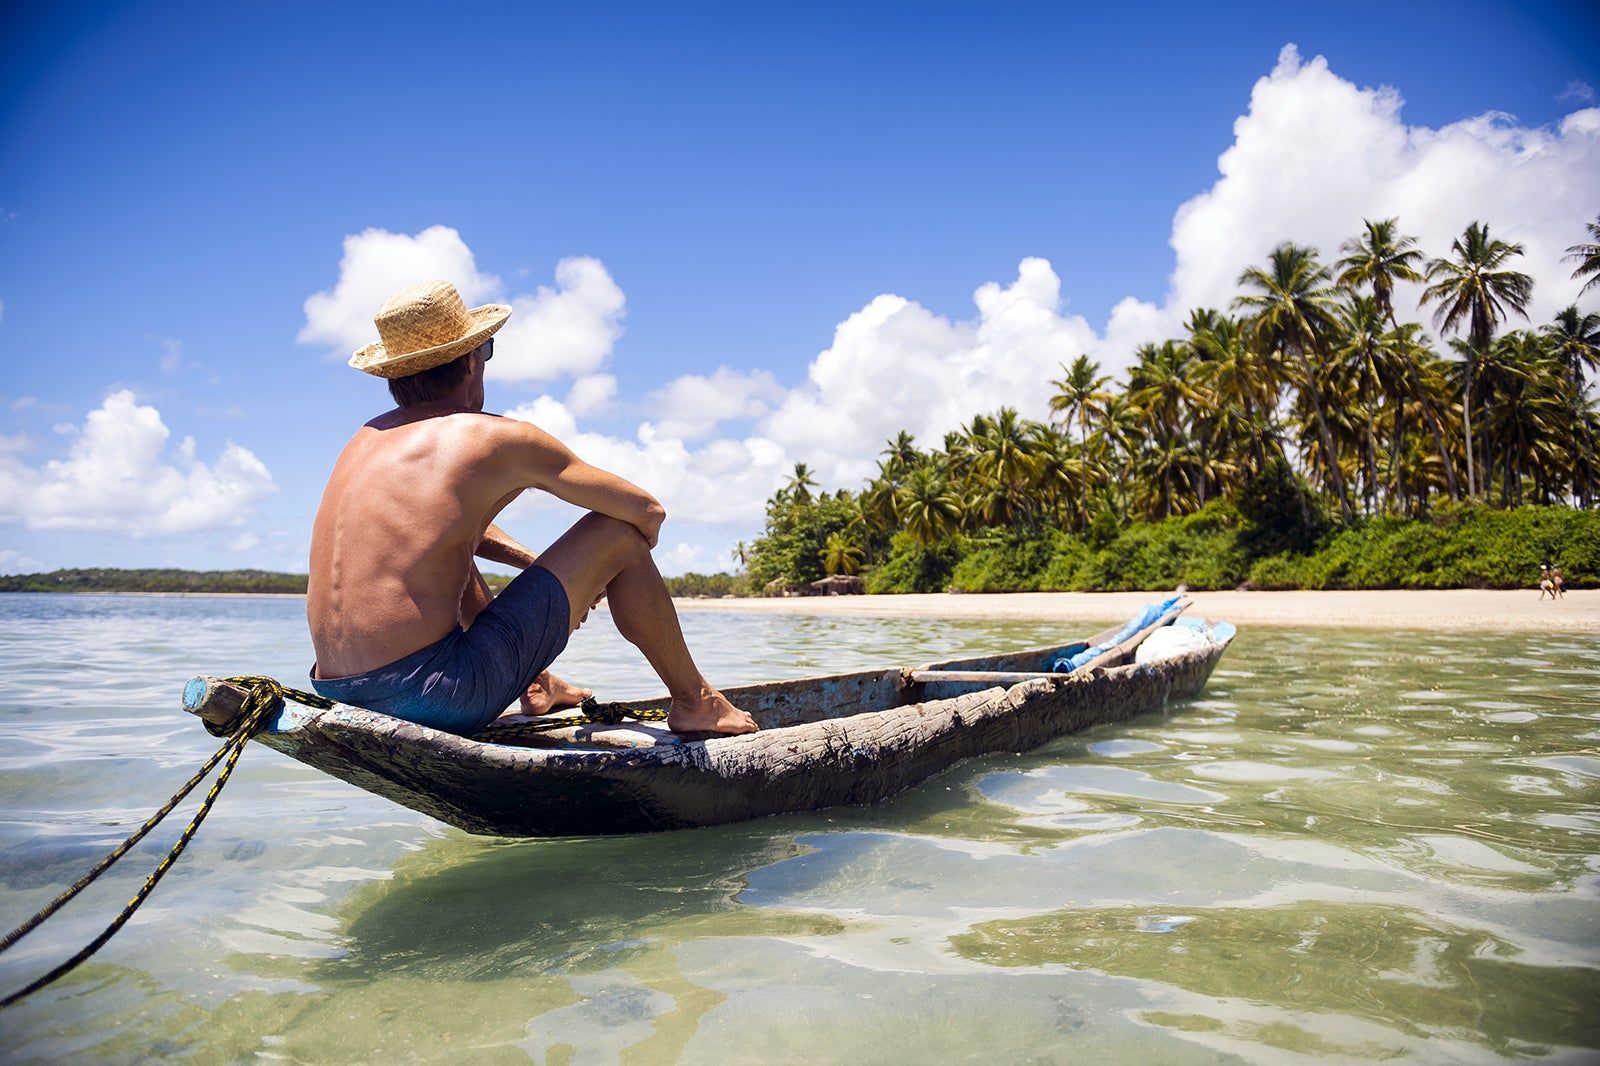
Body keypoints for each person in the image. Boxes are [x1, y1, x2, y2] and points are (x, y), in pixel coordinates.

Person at [305, 280, 758, 738]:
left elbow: (445, 533)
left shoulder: (364, 441)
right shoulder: (492, 437)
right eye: (487, 352)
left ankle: (537, 682)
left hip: (336, 690)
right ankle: (697, 702)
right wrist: (602, 569)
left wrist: (541, 569)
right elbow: (646, 510)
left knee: (448, 550)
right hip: (433, 695)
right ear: (469, 360)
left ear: (394, 378)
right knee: (619, 531)